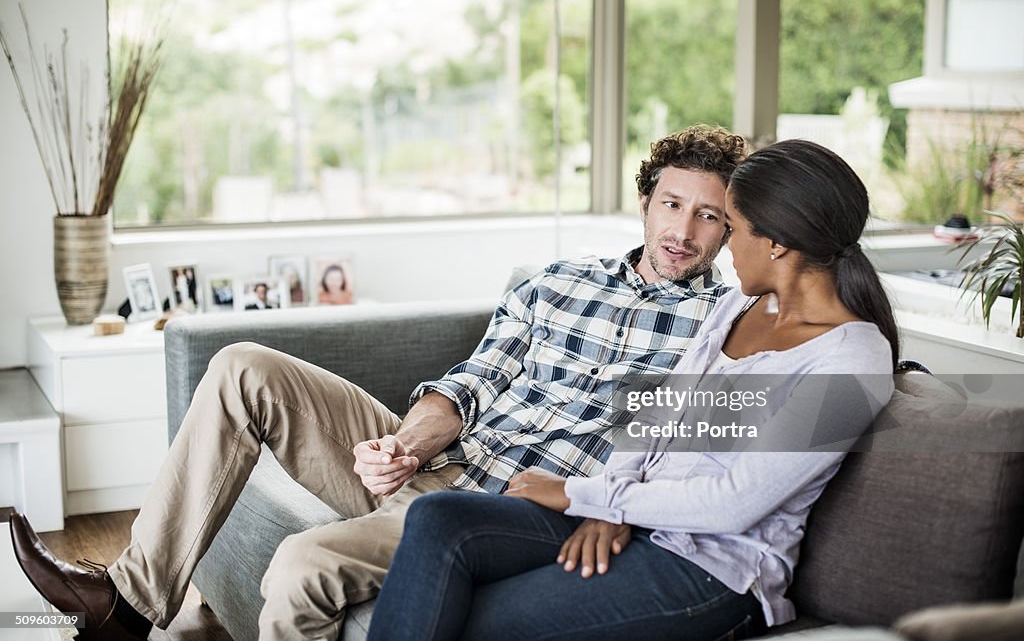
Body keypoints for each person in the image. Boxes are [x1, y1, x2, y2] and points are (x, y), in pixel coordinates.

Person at [9, 125, 747, 640]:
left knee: (302, 563)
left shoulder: (721, 325)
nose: (684, 229)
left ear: (730, 229)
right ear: (646, 201)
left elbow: (665, 452)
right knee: (240, 365)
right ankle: (128, 604)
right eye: (672, 204)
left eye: (709, 215)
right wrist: (401, 442)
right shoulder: (558, 280)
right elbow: (474, 380)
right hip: (442, 461)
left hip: (501, 508)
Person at [366, 139, 899, 641]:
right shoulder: (737, 307)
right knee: (438, 518)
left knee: (469, 620)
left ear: (777, 242)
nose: (723, 245)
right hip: (637, 521)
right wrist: (609, 509)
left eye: (731, 227)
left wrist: (582, 494)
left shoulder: (854, 361)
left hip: (710, 571)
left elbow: (732, 505)